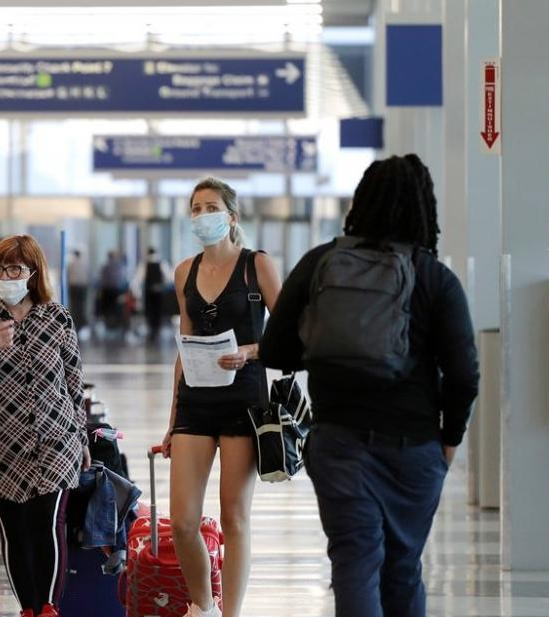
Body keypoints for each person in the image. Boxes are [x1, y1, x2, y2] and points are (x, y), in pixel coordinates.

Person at [261, 155, 479, 617]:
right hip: (414, 446)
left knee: (355, 562)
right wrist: (450, 439)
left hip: (339, 443)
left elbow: (275, 349)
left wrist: (326, 346)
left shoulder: (321, 263)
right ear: (425, 208)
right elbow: (464, 374)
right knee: (403, 567)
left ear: (360, 202)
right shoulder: (434, 278)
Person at [0, 235, 90, 617]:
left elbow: (74, 382)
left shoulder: (57, 317)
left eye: (15, 268)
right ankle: (28, 608)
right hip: (1, 444)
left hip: (56, 439)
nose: (6, 275)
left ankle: (49, 608)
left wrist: (81, 435)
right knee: (16, 531)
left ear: (33, 273)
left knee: (48, 525)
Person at [161, 177, 282, 617]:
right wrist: (172, 419)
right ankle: (202, 606)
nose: (201, 215)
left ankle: (231, 613)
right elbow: (183, 344)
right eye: (194, 208)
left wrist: (250, 351)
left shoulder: (256, 265)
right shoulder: (184, 272)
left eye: (209, 207)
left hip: (244, 401)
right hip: (196, 400)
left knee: (234, 519)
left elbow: (288, 335)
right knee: (183, 522)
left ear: (230, 216)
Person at [133, 247, 173, 340]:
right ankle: (157, 328)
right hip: (159, 291)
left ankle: (151, 329)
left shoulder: (144, 264)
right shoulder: (162, 263)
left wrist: (136, 291)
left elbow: (139, 278)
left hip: (149, 291)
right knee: (158, 311)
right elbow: (168, 278)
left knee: (150, 310)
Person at [98, 250, 128, 336]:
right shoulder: (119, 266)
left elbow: (102, 279)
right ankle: (116, 325)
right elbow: (122, 278)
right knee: (116, 308)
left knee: (107, 308)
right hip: (116, 290)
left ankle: (109, 325)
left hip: (106, 290)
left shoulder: (105, 266)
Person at [65, 249, 90, 334]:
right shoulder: (84, 265)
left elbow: (68, 275)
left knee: (74, 304)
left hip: (73, 287)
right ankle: (81, 322)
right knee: (81, 305)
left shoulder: (71, 264)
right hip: (82, 287)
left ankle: (74, 321)